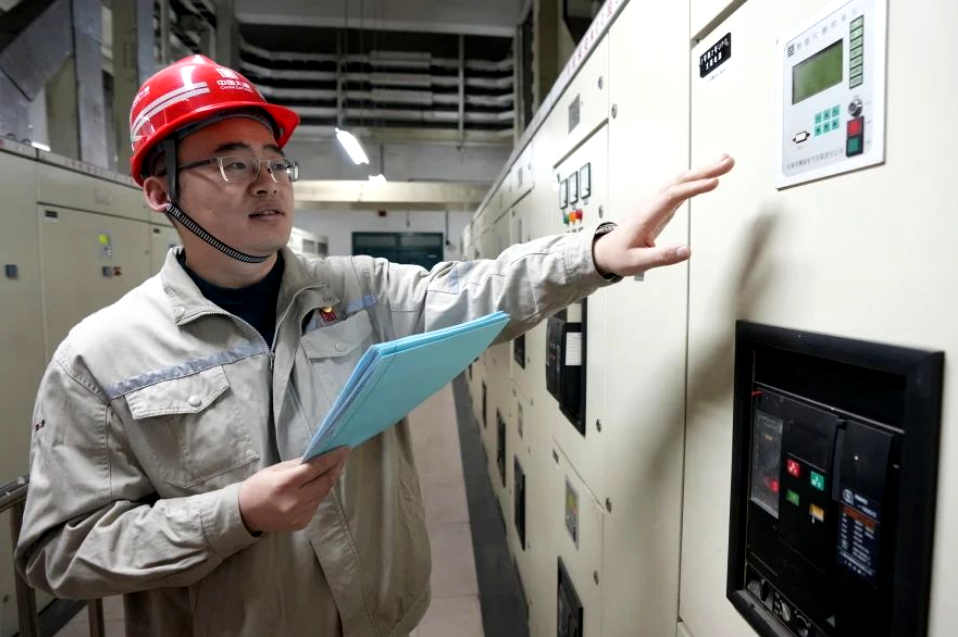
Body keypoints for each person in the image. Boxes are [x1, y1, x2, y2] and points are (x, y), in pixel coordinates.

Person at [15, 55, 734, 636]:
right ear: (158, 191)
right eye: (233, 164)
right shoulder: (99, 359)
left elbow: (476, 290)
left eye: (275, 162)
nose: (267, 183)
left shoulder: (356, 290)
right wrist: (235, 514)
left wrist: (596, 253)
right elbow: (60, 551)